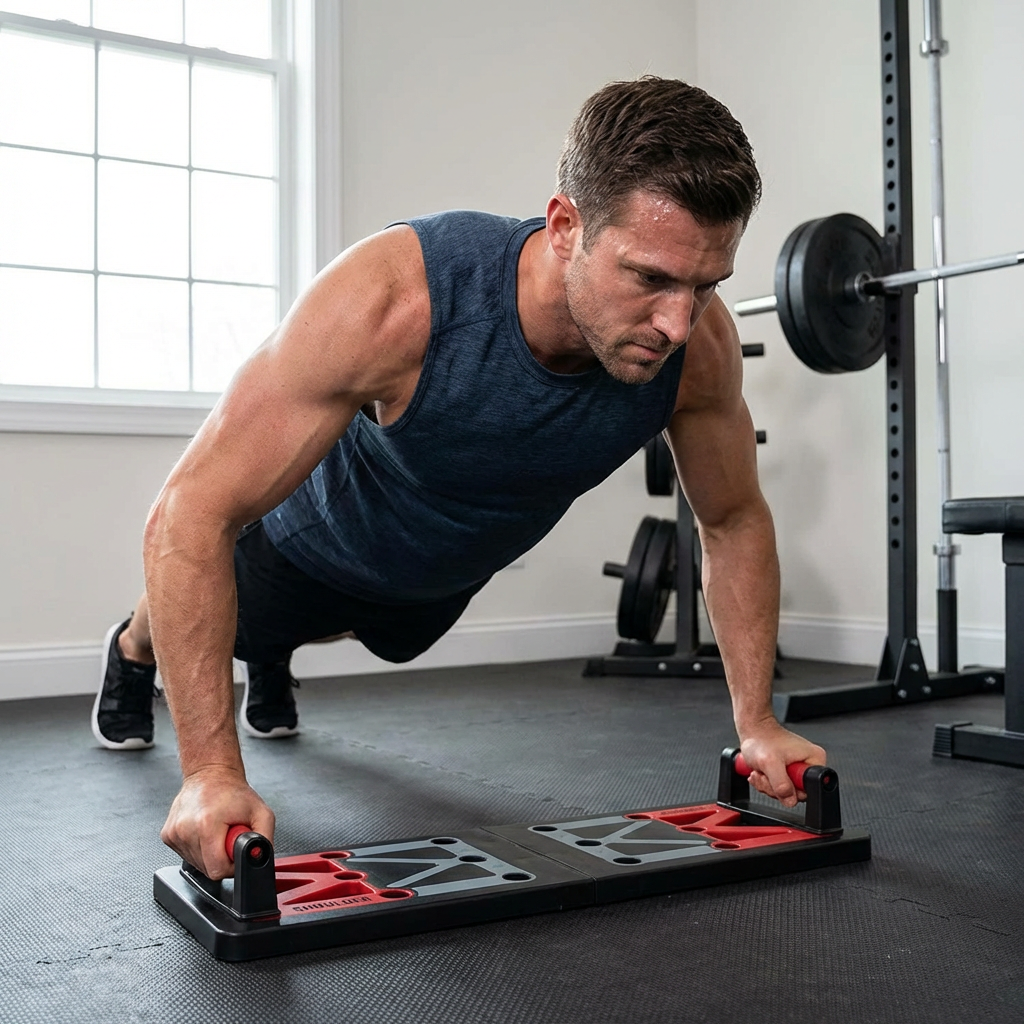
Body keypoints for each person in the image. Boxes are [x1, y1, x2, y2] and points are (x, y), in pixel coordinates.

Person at [91, 76, 826, 880]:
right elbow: (190, 514)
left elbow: (732, 519)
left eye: (706, 285)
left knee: (376, 633)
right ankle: (132, 650)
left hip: (439, 572)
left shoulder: (697, 352)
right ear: (565, 225)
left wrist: (757, 721)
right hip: (312, 541)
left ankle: (275, 654)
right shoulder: (397, 299)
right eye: (650, 277)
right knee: (244, 620)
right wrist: (208, 774)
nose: (678, 323)